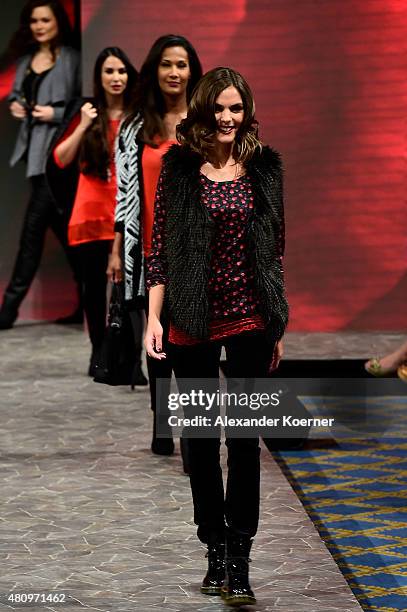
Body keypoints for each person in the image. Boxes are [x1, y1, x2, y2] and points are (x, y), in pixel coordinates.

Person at [144, 67, 289, 606]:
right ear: (203, 113)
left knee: (246, 443)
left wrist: (277, 320)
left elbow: (276, 250)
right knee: (202, 445)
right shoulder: (179, 168)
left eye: (236, 109)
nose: (228, 119)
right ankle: (214, 548)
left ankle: (241, 557)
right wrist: (153, 318)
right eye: (219, 110)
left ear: (247, 110)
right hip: (191, 317)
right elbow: (159, 248)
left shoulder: (264, 168)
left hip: (251, 315)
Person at [107, 35, 202, 454]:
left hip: (195, 251)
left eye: (181, 64)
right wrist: (115, 247)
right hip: (145, 250)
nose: (174, 72)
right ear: (155, 69)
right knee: (156, 339)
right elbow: (124, 190)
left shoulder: (204, 121)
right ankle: (163, 426)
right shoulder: (133, 124)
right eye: (167, 64)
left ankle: (196, 428)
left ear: (192, 71)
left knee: (193, 340)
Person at [52, 47, 138, 376]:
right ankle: (98, 351)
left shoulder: (139, 115)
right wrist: (83, 125)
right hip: (90, 213)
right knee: (92, 290)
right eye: (109, 71)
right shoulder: (86, 112)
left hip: (127, 214)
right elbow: (61, 159)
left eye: (121, 71)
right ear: (98, 77)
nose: (116, 78)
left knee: (130, 290)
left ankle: (130, 358)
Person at [0, 0, 82, 330]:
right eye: (34, 20)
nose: (39, 26)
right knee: (67, 235)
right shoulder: (26, 61)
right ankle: (89, 303)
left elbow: (84, 103)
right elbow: (18, 94)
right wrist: (18, 106)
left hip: (61, 157)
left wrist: (55, 113)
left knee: (33, 232)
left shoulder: (72, 59)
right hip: (36, 156)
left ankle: (8, 310)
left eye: (45, 19)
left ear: (57, 22)